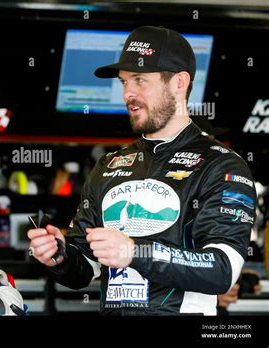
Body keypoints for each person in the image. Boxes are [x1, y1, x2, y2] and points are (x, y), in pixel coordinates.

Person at [28, 26, 257, 315]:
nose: (128, 93)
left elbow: (222, 270)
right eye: (124, 82)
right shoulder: (109, 165)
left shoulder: (220, 165)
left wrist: (136, 253)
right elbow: (86, 269)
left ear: (179, 82)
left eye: (140, 80)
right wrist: (59, 256)